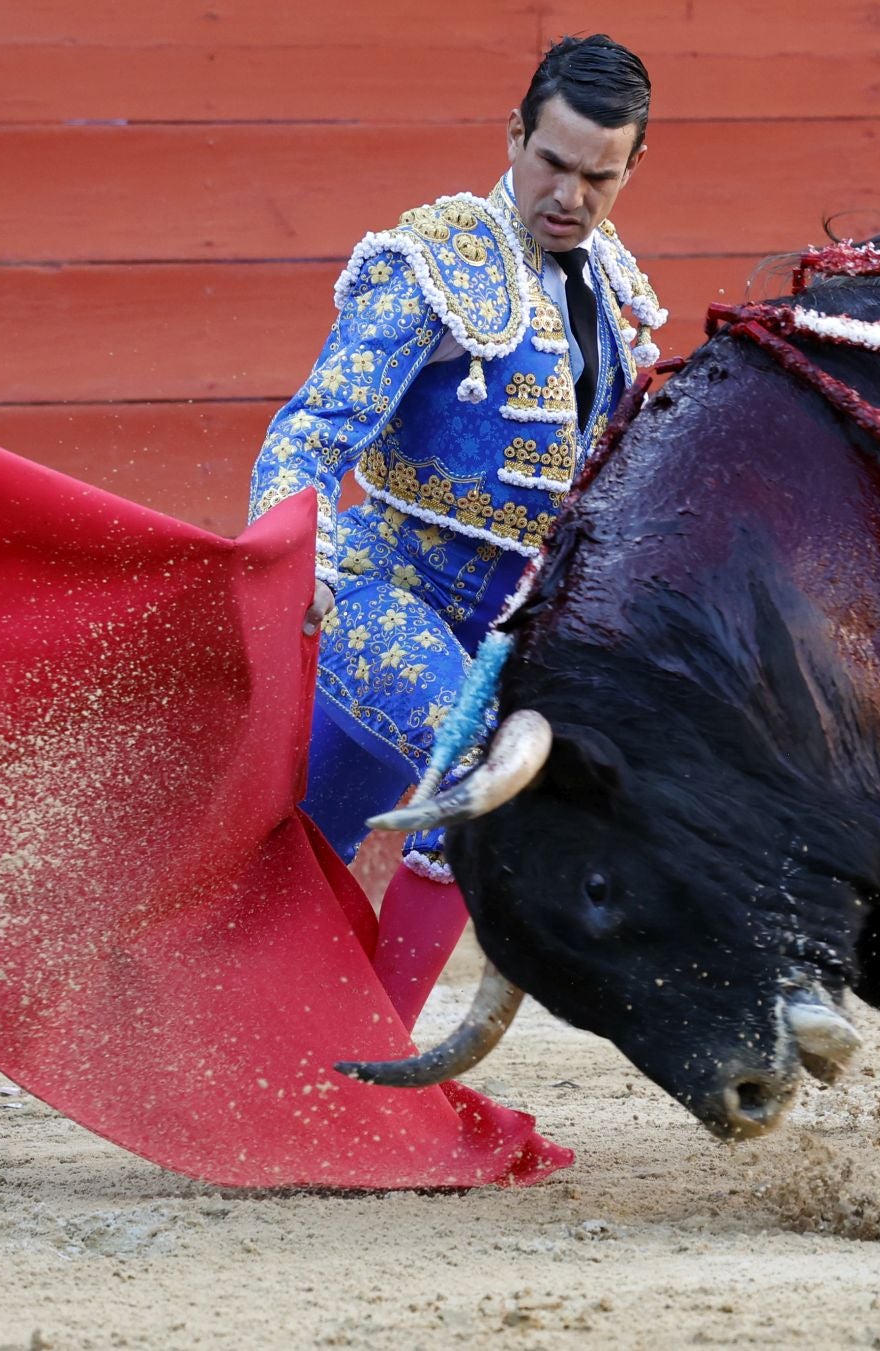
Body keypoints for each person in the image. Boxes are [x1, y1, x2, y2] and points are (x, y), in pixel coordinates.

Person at [246, 34, 665, 1020]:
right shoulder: (435, 266)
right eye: (552, 162)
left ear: (632, 168)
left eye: (599, 177)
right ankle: (376, 1067)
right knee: (471, 769)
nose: (570, 195)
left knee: (308, 846)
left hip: (506, 630)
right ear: (515, 134)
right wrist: (288, 557)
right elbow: (306, 432)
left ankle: (303, 1039)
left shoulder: (607, 285)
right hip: (386, 592)